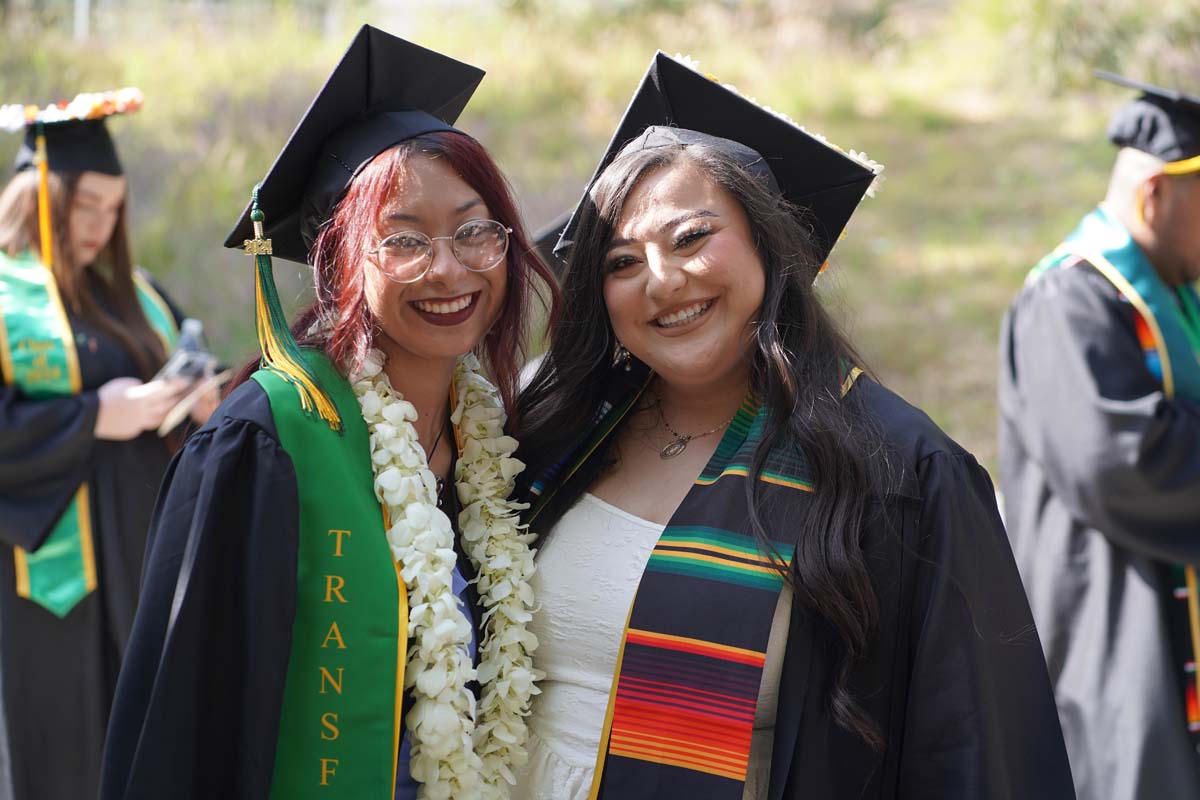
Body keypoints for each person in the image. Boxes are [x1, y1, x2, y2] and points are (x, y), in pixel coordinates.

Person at [512, 52, 1075, 800]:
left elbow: (970, 746)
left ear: (771, 247)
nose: (662, 279)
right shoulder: (558, 429)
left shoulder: (894, 469)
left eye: (690, 238)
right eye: (621, 261)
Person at [100, 26, 558, 800]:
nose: (449, 269)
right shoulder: (263, 443)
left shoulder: (498, 437)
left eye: (475, 229)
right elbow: (180, 721)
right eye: (404, 241)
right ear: (339, 264)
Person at [0, 88, 211, 798]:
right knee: (67, 760)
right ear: (40, 197)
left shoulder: (135, 294)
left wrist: (195, 398)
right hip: (49, 587)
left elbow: (179, 376)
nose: (101, 225)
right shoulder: (5, 296)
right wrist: (92, 416)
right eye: (85, 205)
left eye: (113, 208)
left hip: (145, 558)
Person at [998, 72, 1200, 800]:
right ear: (1155, 196)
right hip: (1116, 638)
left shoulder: (1179, 294)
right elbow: (1125, 464)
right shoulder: (1069, 299)